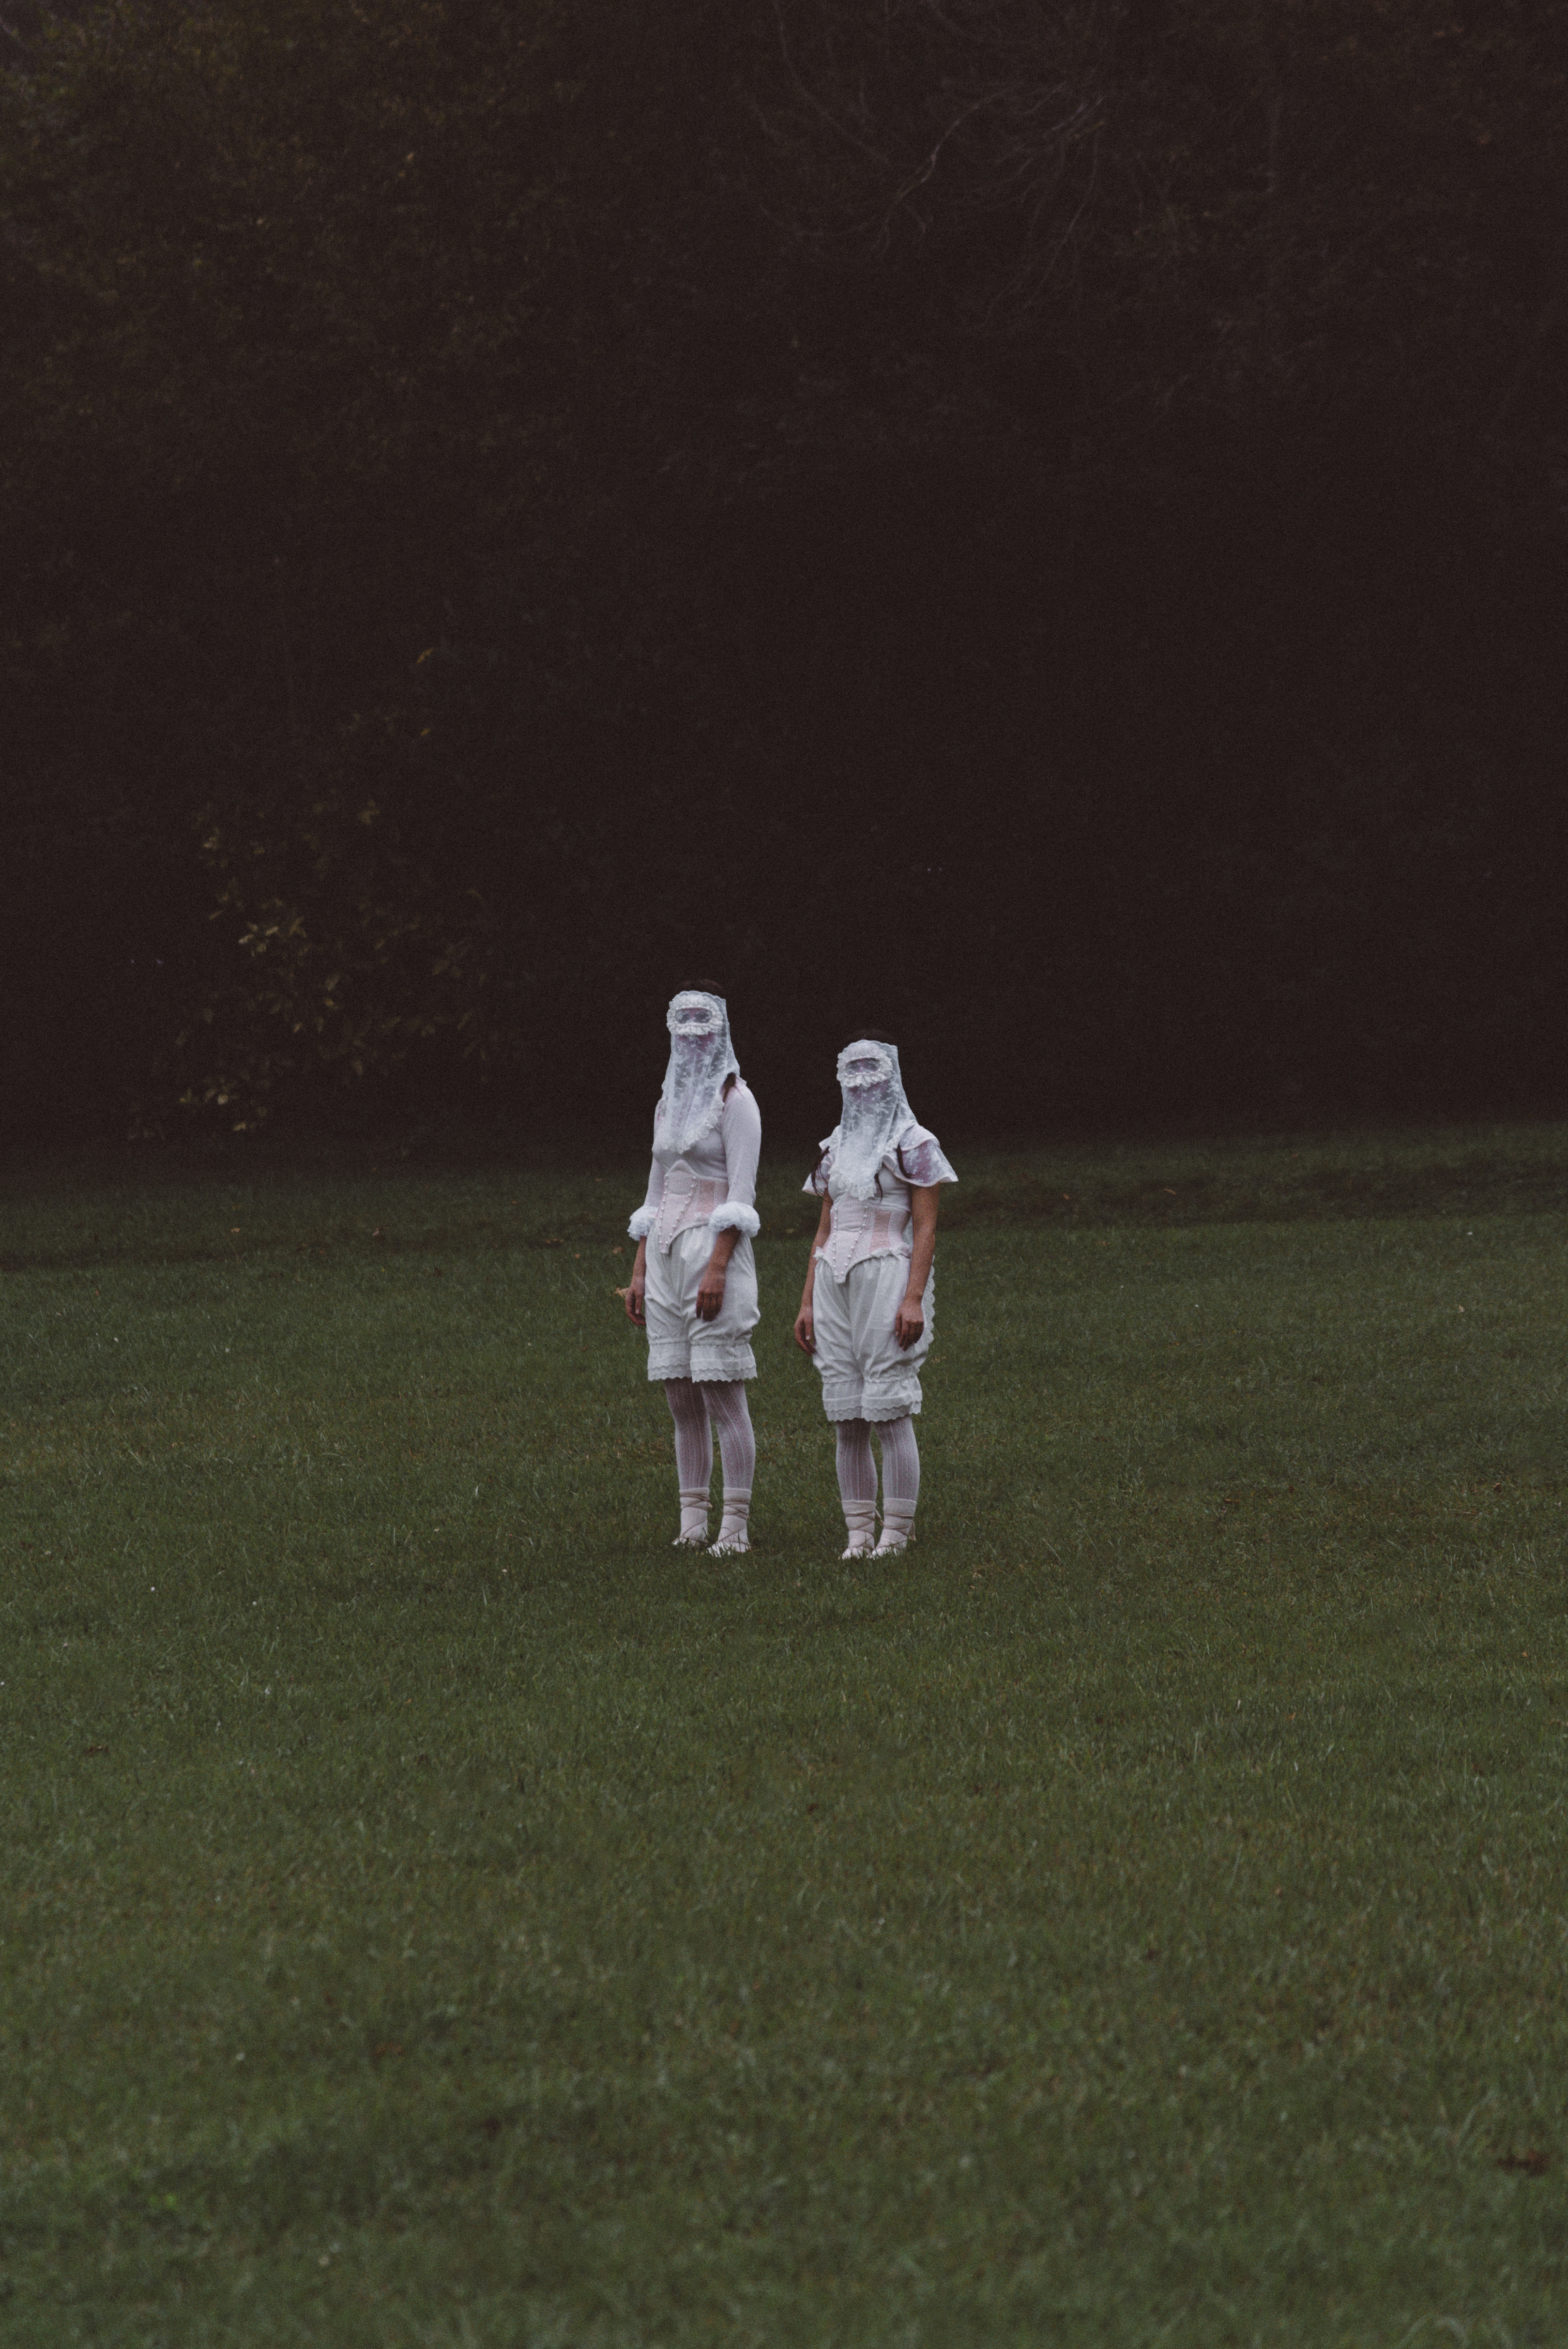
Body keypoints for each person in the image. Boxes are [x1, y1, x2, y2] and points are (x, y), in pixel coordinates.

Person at [793, 1037, 956, 1557]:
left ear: (891, 1079)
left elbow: (925, 1228)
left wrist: (913, 1298)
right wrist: (806, 1302)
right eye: (853, 1076)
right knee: (847, 1415)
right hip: (833, 1281)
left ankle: (897, 1532)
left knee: (887, 1408)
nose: (863, 1086)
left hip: (886, 1274)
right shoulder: (835, 1148)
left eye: (873, 1075)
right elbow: (823, 1231)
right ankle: (859, 1533)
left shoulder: (914, 1143)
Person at [623, 990, 761, 1555]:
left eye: (702, 1028)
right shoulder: (666, 1104)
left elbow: (741, 1193)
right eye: (682, 1029)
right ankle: (692, 1523)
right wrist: (639, 1270)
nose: (691, 1039)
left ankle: (735, 1526)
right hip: (664, 1253)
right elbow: (655, 1191)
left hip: (711, 1251)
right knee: (680, 1395)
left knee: (720, 1393)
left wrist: (717, 1267)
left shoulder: (736, 1101)